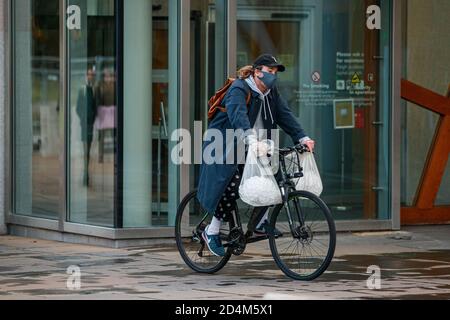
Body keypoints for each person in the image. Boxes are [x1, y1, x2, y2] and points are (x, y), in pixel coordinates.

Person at [196, 54, 315, 257]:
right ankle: (212, 231)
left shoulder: (270, 92)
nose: (273, 76)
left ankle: (260, 223)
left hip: (257, 145)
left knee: (274, 179)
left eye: (275, 73)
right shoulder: (239, 89)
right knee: (230, 184)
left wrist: (302, 137)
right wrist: (251, 140)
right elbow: (238, 116)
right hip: (227, 144)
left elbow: (285, 115)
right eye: (270, 72)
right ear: (257, 71)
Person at [76, 67, 96, 187]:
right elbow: (78, 107)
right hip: (84, 124)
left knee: (88, 148)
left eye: (92, 75)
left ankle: (86, 172)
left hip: (91, 124)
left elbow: (95, 105)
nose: (90, 76)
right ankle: (85, 173)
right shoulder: (82, 89)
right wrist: (83, 118)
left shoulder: (94, 89)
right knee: (85, 149)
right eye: (89, 74)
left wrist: (93, 118)